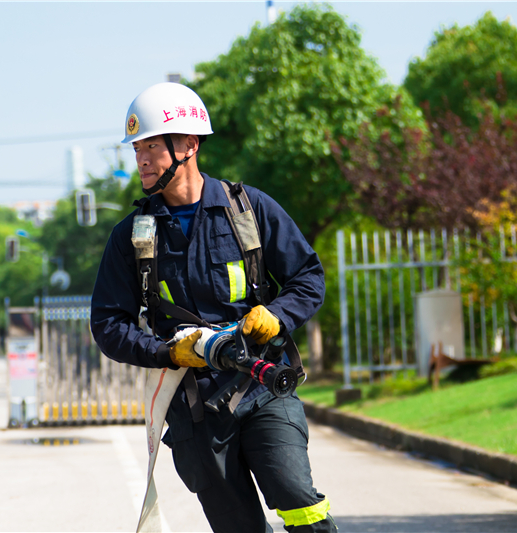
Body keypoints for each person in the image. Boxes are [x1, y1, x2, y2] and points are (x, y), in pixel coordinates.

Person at [91, 82, 336, 533]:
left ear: (188, 144)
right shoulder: (133, 236)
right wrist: (168, 353)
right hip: (194, 409)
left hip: (263, 385)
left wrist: (276, 316)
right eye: (137, 148)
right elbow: (108, 324)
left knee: (296, 496)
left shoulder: (249, 209)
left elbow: (308, 277)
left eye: (151, 146)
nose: (141, 159)